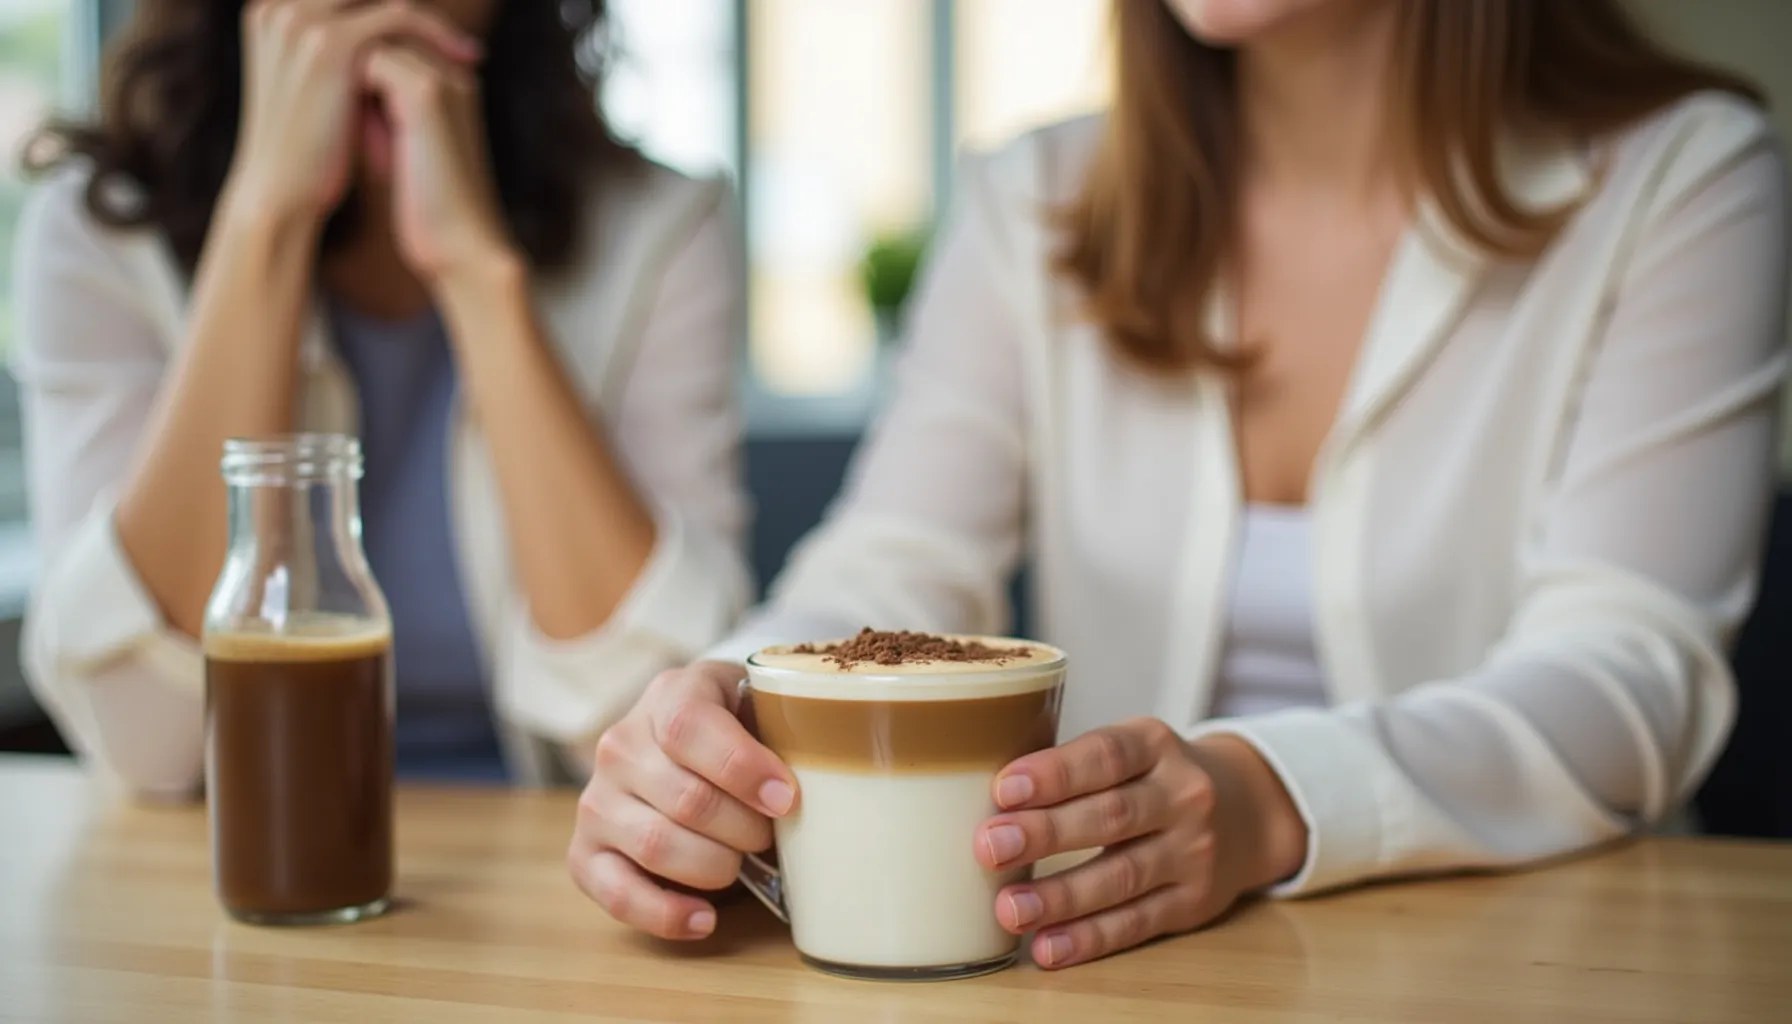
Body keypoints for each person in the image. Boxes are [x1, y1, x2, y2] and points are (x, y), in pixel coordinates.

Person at [568, 0, 1789, 969]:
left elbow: (1629, 673)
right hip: (1111, 975)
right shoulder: (1032, 199)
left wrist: (1263, 801)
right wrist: (728, 702)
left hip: (1549, 968)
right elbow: (888, 567)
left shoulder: (1681, 180)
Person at [13, 0, 751, 793]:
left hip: (552, 863)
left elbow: (670, 736)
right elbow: (143, 746)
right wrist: (267, 217)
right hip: (236, 868)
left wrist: (474, 266)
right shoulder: (96, 230)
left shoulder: (662, 226)